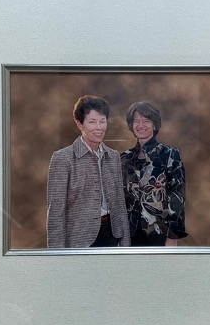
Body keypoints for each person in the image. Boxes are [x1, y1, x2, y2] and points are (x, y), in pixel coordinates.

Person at [47, 95, 131, 248]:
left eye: (102, 121)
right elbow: (55, 215)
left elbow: (119, 203)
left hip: (112, 236)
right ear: (80, 124)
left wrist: (125, 245)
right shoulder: (63, 159)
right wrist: (56, 257)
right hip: (79, 241)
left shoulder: (113, 156)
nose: (99, 127)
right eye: (92, 122)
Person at [121, 101, 187, 246]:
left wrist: (173, 237)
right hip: (129, 234)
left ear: (155, 125)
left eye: (146, 121)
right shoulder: (124, 158)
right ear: (131, 125)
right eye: (136, 121)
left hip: (159, 233)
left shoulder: (169, 154)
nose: (141, 125)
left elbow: (177, 197)